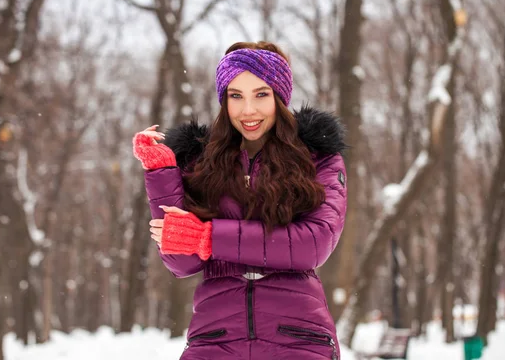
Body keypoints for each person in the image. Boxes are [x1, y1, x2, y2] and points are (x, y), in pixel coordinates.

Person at [133, 41, 347, 359]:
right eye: (236, 96)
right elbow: (183, 262)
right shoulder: (200, 162)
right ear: (224, 101)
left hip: (296, 337)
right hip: (215, 337)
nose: (248, 110)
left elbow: (313, 245)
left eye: (261, 94)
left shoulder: (318, 158)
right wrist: (162, 174)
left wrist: (208, 237)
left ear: (280, 97)